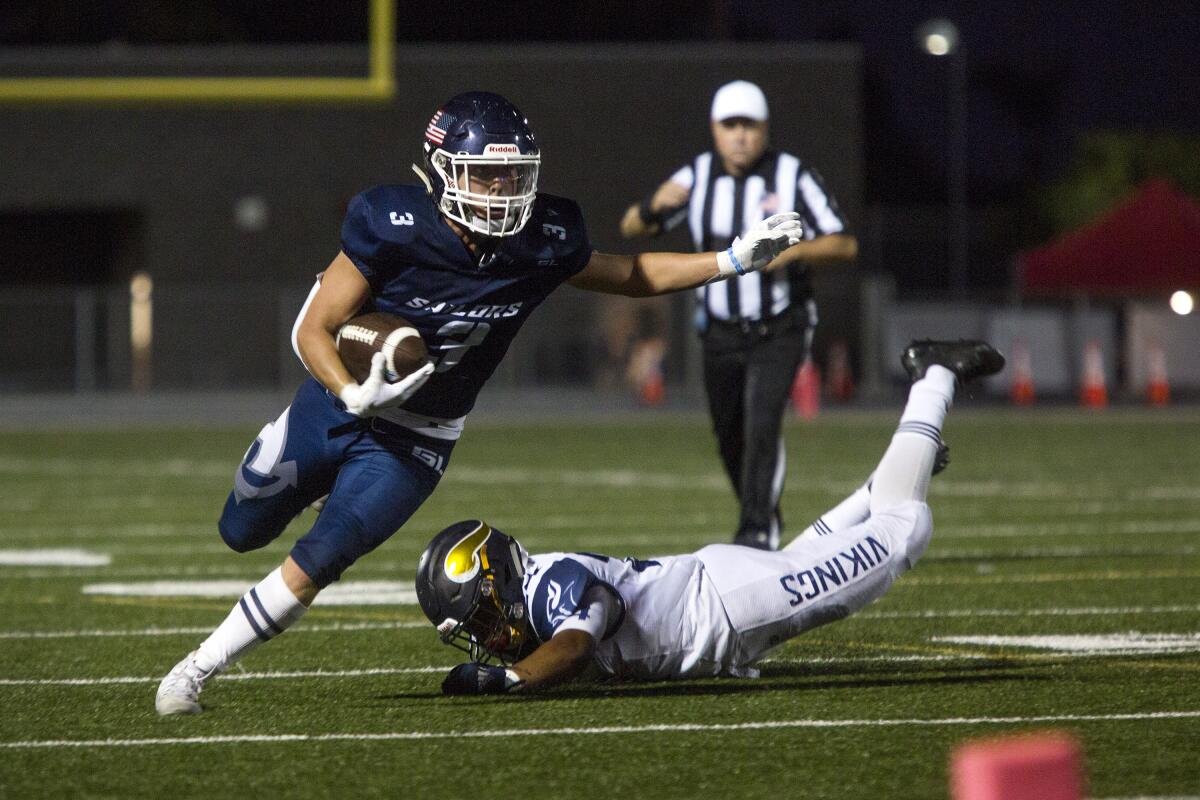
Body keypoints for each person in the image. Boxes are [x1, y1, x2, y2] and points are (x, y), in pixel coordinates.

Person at [153, 91, 803, 715]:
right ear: (443, 170)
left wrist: (733, 259)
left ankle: (199, 666)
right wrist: (353, 390)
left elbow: (628, 274)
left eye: (513, 175)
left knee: (324, 557)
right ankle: (312, 476)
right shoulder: (393, 223)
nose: (502, 191)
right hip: (336, 403)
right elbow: (311, 327)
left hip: (418, 436)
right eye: (486, 175)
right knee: (239, 532)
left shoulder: (542, 236)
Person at [415, 340, 1004, 694]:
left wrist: (510, 680)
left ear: (500, 578)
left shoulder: (549, 586)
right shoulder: (537, 596)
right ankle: (885, 479)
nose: (489, 638)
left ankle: (935, 376)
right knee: (818, 549)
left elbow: (573, 645)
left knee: (906, 530)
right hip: (722, 595)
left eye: (484, 616)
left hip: (727, 605)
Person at [620, 80, 859, 550]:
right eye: (731, 125)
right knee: (730, 433)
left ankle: (757, 532)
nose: (741, 136)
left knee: (762, 419)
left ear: (765, 128)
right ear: (715, 129)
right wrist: (652, 207)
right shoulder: (697, 176)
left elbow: (844, 243)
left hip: (780, 325)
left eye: (749, 125)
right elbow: (631, 225)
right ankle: (760, 513)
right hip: (719, 332)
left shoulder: (792, 175)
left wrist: (791, 254)